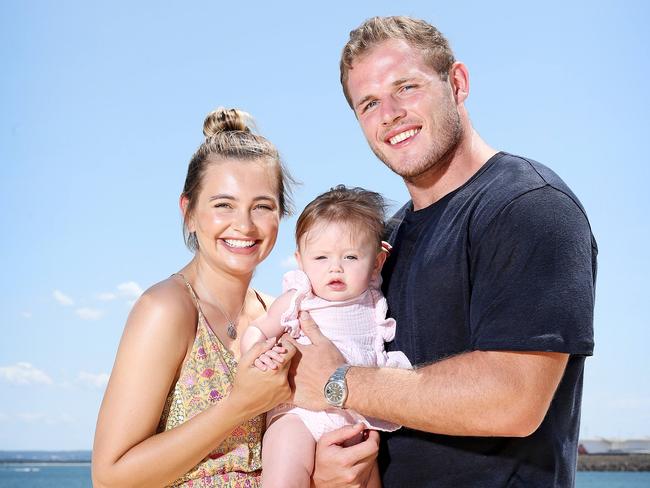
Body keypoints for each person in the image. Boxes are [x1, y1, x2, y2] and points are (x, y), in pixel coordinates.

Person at [287, 16, 597, 488]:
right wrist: (329, 469)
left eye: (406, 87)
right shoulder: (382, 242)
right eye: (368, 103)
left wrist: (339, 382)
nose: (389, 113)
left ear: (457, 82)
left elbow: (512, 400)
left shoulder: (529, 207)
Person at [92, 108, 378, 487]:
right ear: (189, 212)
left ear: (281, 216)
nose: (244, 225)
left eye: (262, 206)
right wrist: (239, 405)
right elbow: (111, 478)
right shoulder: (167, 309)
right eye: (223, 205)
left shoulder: (280, 313)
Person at [241, 185, 411, 488]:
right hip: (299, 415)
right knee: (284, 469)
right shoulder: (300, 298)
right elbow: (259, 328)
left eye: (350, 257)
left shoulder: (373, 300)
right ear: (301, 260)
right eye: (320, 258)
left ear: (376, 262)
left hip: (356, 417)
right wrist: (259, 352)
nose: (335, 268)